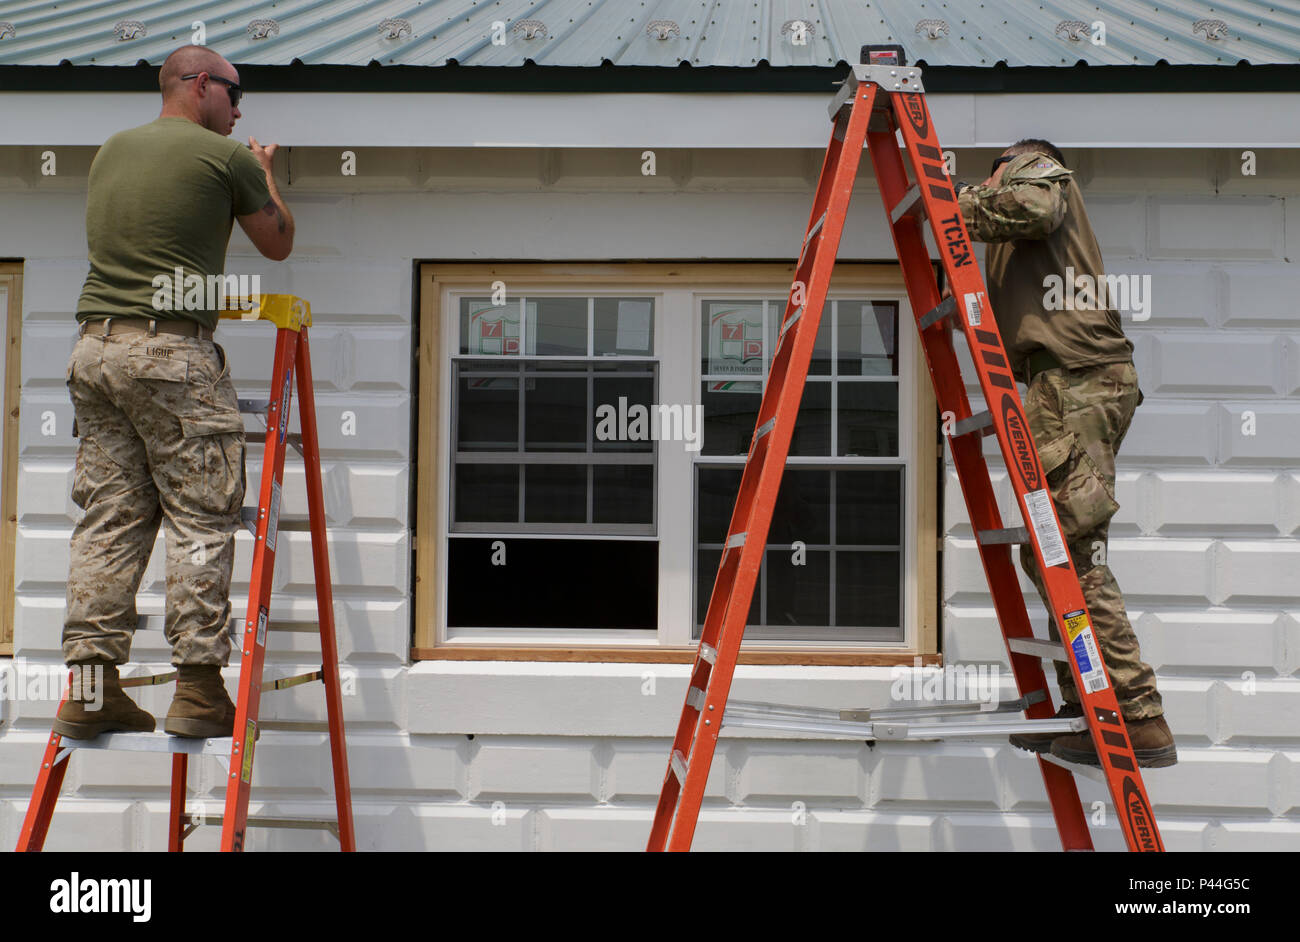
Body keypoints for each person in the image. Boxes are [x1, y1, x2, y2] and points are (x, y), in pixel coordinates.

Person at [54, 45, 294, 739]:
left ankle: (93, 689)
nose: (240, 108)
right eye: (234, 92)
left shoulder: (111, 151)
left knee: (111, 516)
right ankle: (196, 689)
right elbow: (276, 243)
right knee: (201, 514)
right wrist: (267, 178)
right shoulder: (229, 159)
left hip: (95, 350)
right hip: (171, 354)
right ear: (198, 85)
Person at [954, 139, 1175, 768]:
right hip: (1063, 383)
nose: (988, 186)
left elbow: (1034, 203)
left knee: (1073, 555)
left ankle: (1137, 717)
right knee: (1048, 555)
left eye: (992, 176)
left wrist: (954, 202)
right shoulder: (1010, 249)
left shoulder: (1033, 168)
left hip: (1077, 380)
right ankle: (1087, 707)